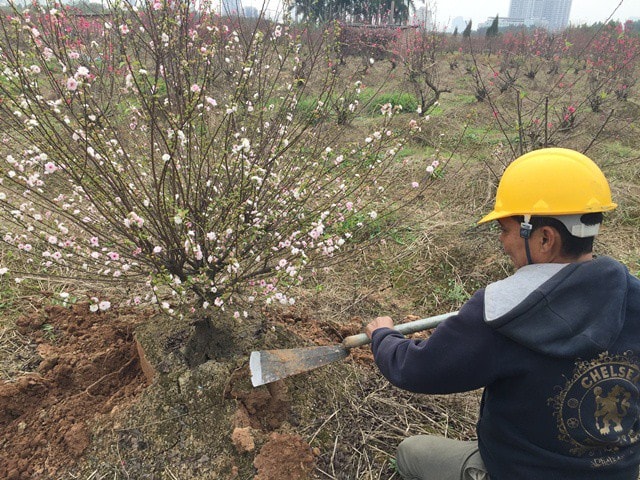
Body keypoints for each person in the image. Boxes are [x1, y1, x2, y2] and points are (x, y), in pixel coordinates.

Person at [365, 147, 640, 480]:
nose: (502, 241)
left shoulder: (503, 313)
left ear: (544, 238)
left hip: (518, 472)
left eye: (506, 230)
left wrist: (383, 336)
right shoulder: (633, 295)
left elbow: (418, 369)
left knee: (411, 453)